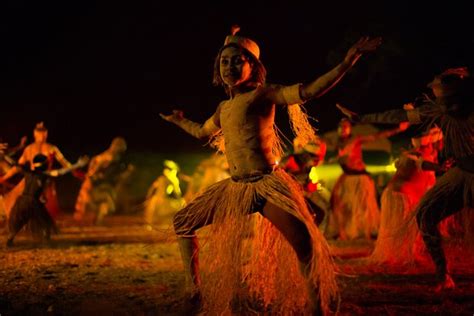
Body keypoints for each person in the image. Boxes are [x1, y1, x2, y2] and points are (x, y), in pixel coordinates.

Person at [160, 25, 380, 314]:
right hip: (236, 187)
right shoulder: (223, 108)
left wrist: (347, 61)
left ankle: (319, 308)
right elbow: (202, 132)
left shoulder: (264, 95)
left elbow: (310, 90)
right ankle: (194, 290)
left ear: (254, 66)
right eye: (224, 61)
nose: (230, 66)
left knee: (303, 243)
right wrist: (179, 121)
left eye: (238, 60)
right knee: (183, 222)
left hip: (267, 185)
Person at [336, 67, 474, 291]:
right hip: (460, 176)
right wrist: (362, 118)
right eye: (442, 102)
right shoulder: (438, 111)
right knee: (426, 214)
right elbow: (398, 116)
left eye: (451, 101)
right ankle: (443, 275)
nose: (447, 107)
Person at [327, 118, 409, 240]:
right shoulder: (335, 143)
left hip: (360, 178)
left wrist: (397, 129)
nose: (343, 129)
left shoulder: (356, 139)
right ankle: (345, 232)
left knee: (365, 207)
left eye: (346, 126)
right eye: (340, 126)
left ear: (350, 128)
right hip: (346, 178)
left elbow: (377, 136)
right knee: (340, 205)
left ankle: (367, 231)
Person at [0, 153, 88, 247]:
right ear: (44, 165)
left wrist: (4, 156)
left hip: (22, 201)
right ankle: (47, 241)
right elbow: (61, 171)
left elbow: (15, 163)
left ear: (34, 164)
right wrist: (77, 165)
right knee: (45, 222)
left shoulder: (28, 171)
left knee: (20, 221)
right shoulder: (45, 174)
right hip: (33, 202)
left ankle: (10, 239)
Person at [0, 122, 74, 219]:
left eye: (43, 133)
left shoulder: (52, 148)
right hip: (31, 180)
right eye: (39, 133)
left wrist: (75, 169)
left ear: (46, 134)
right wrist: (4, 177)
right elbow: (18, 166)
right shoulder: (29, 149)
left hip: (45, 180)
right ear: (35, 134)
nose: (41, 135)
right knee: (14, 198)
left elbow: (64, 162)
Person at [74, 137, 132, 225]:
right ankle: (93, 220)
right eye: (120, 150)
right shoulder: (107, 158)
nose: (120, 153)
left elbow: (112, 176)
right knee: (106, 201)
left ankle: (97, 221)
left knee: (106, 203)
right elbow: (92, 173)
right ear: (116, 148)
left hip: (100, 185)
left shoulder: (110, 158)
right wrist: (93, 177)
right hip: (94, 186)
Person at [143, 160, 186, 229]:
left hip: (160, 199)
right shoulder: (165, 179)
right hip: (161, 199)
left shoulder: (170, 179)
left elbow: (171, 191)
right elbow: (155, 188)